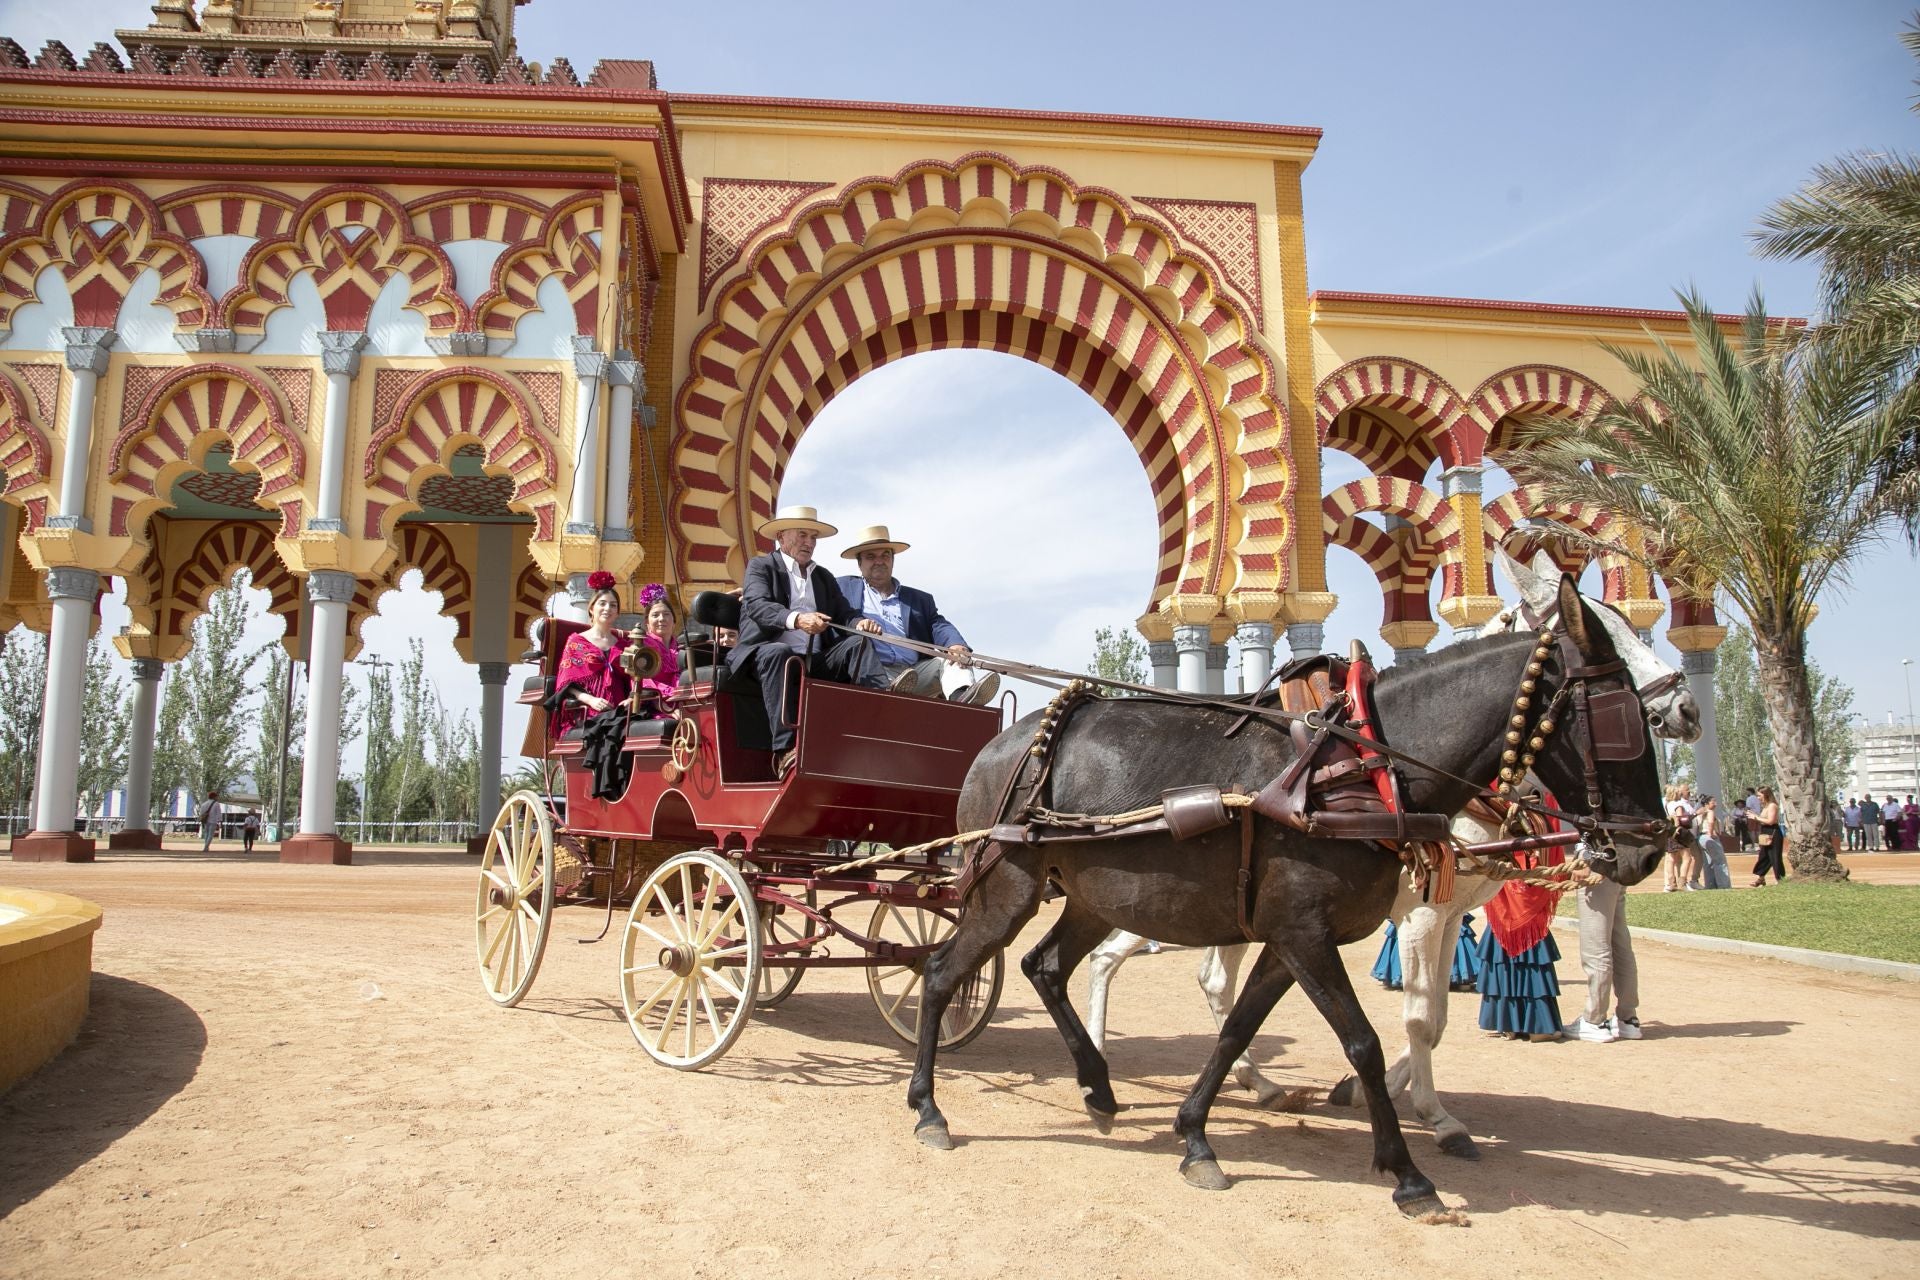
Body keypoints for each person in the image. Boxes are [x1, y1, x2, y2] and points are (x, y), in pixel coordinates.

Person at [729, 505, 888, 774]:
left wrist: (858, 623)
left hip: (813, 658)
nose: (809, 543)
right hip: (764, 655)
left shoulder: (823, 576)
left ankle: (884, 714)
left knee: (858, 644)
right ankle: (784, 751)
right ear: (781, 536)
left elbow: (844, 613)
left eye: (813, 537)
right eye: (802, 535)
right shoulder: (760, 566)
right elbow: (757, 605)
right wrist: (798, 619)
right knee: (780, 652)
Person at [835, 524, 999, 706]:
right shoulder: (842, 588)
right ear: (859, 563)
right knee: (888, 678)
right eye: (871, 557)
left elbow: (938, 624)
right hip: (871, 674)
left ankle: (963, 700)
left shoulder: (919, 600)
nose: (879, 561)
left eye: (885, 555)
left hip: (913, 674)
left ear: (892, 560)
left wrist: (955, 645)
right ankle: (890, 691)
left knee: (951, 660)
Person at [550, 571, 632, 740]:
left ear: (617, 612)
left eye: (613, 605)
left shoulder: (624, 645)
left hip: (618, 709)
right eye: (602, 603)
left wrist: (631, 699)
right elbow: (565, 683)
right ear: (592, 608)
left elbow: (635, 679)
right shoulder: (576, 642)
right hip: (586, 710)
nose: (607, 608)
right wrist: (589, 700)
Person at [1570, 851, 1642, 1042]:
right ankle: (1628, 1018)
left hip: (1598, 862)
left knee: (1596, 948)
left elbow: (1592, 831)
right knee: (1620, 944)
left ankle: (1594, 1020)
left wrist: (1585, 857)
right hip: (1618, 861)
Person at [629, 583, 682, 716]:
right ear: (647, 623)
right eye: (655, 615)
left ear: (674, 621)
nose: (661, 619)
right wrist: (667, 709)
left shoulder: (682, 648)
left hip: (684, 702)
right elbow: (643, 683)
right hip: (656, 708)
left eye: (666, 614)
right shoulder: (642, 646)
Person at [1662, 782, 1698, 892]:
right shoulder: (1678, 805)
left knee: (1671, 859)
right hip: (1679, 833)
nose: (1680, 794)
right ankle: (1682, 883)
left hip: (1670, 833)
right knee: (1687, 858)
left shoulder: (1668, 804)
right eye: (1678, 793)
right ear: (1675, 794)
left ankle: (1671, 884)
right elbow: (1680, 819)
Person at [1749, 785, 1787, 886]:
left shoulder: (1772, 806)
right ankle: (1761, 878)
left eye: (1759, 795)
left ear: (1765, 794)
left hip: (1773, 833)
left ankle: (1780, 879)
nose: (1758, 798)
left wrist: (1756, 818)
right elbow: (1764, 820)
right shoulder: (1765, 806)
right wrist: (1756, 816)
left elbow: (1771, 821)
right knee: (1763, 856)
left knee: (1775, 857)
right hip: (1765, 832)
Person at [1696, 795, 1731, 889]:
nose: (1715, 804)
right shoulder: (1710, 812)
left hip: (1701, 838)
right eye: (1713, 802)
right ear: (1706, 804)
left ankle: (1711, 885)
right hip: (1709, 837)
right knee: (1720, 861)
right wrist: (1711, 833)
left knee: (1708, 863)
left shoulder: (1699, 812)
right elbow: (1711, 822)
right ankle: (1724, 885)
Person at [198, 788, 223, 854]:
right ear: (214, 797)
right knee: (210, 835)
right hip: (213, 820)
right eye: (216, 796)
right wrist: (220, 820)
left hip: (206, 821)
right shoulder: (216, 804)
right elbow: (219, 813)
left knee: (206, 834)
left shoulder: (204, 804)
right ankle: (206, 847)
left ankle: (206, 846)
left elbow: (201, 813)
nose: (217, 798)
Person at [1743, 787, 1764, 851]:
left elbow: (1748, 807)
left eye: (1746, 791)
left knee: (1752, 831)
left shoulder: (1749, 798)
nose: (1746, 793)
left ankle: (1754, 845)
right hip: (1758, 815)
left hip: (1751, 815)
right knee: (1758, 831)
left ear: (1749, 791)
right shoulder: (1757, 798)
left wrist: (1744, 813)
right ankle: (1760, 845)